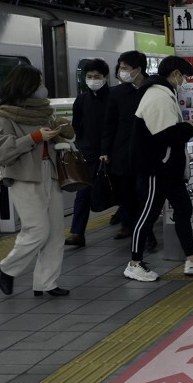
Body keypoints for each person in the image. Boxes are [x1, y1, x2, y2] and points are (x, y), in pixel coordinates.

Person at [123, 55, 193, 282]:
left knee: (184, 209)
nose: (184, 81)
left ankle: (192, 260)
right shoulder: (158, 95)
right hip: (158, 167)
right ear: (175, 73)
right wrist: (187, 128)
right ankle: (134, 263)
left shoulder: (165, 93)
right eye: (184, 76)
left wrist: (183, 128)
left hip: (169, 168)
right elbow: (164, 134)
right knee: (147, 214)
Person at [0, 65, 76, 297]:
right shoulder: (5, 116)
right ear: (25, 86)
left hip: (52, 172)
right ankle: (8, 268)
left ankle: (46, 283)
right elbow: (1, 152)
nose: (42, 88)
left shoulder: (46, 112)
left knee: (56, 232)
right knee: (37, 229)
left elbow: (67, 134)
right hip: (23, 176)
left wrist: (62, 130)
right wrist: (34, 138)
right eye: (38, 83)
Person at [101, 52, 148, 243]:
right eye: (121, 67)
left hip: (146, 148)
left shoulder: (151, 89)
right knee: (126, 190)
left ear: (138, 69)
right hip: (122, 149)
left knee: (143, 190)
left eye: (125, 68)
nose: (122, 71)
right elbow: (109, 123)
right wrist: (105, 150)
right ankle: (127, 225)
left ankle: (145, 226)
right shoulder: (116, 93)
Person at [66, 59, 110, 247]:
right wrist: (81, 147)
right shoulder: (82, 100)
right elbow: (77, 126)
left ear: (105, 78)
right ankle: (77, 233)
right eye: (89, 77)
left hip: (112, 153)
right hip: (89, 154)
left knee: (119, 188)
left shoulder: (114, 97)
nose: (93, 80)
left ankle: (126, 223)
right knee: (83, 191)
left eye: (97, 77)